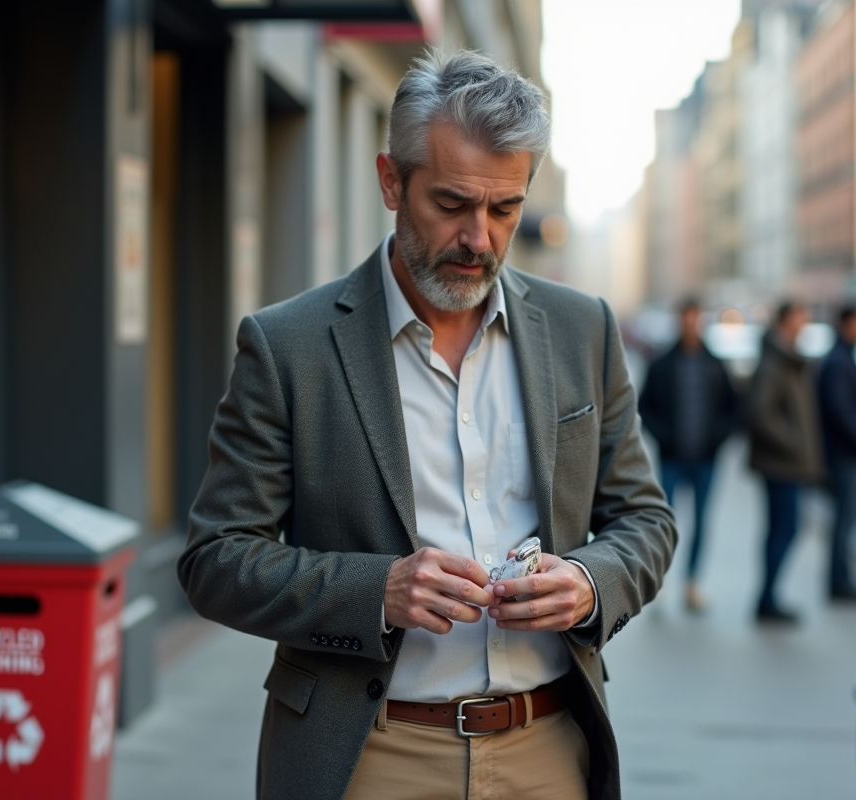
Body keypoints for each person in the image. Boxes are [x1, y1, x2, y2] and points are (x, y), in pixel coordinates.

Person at [177, 50, 676, 800]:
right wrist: (377, 590)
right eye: (451, 203)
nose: (479, 237)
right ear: (390, 180)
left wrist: (588, 583)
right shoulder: (290, 347)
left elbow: (645, 519)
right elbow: (215, 559)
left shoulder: (583, 329)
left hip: (549, 751)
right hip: (368, 757)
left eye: (504, 208)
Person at [637, 299, 737, 612]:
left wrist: (717, 439)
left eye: (696, 319)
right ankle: (661, 581)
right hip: (672, 457)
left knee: (702, 521)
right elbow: (645, 406)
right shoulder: (663, 363)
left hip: (706, 458)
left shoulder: (715, 363)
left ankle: (693, 583)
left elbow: (733, 408)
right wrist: (664, 437)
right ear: (680, 321)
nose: (691, 324)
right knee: (665, 521)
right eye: (687, 319)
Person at [746, 301, 823, 624]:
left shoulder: (790, 360)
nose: (804, 324)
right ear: (785, 322)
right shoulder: (776, 363)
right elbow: (760, 414)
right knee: (784, 529)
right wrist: (793, 444)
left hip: (785, 464)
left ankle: (768, 596)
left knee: (782, 529)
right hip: (781, 464)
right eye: (799, 318)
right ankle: (767, 598)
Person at [818, 305, 856, 600]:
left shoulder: (841, 357)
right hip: (844, 454)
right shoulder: (838, 361)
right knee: (845, 518)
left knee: (846, 518)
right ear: (847, 323)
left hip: (846, 452)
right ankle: (839, 580)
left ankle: (841, 577)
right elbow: (840, 411)